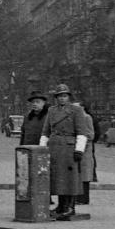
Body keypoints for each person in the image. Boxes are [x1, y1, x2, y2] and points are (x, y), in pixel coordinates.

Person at [39, 84, 92, 220]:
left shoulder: (77, 110)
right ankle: (61, 206)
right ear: (56, 98)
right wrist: (42, 149)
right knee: (57, 178)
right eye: (59, 96)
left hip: (69, 149)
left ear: (69, 97)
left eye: (64, 96)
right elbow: (45, 131)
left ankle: (70, 208)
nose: (62, 98)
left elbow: (82, 132)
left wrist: (79, 150)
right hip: (54, 148)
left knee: (70, 179)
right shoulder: (51, 111)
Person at [75, 102, 100, 206]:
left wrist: (81, 139)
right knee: (78, 174)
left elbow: (91, 134)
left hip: (85, 149)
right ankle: (79, 198)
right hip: (77, 148)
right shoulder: (76, 118)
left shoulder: (87, 117)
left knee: (85, 174)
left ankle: (84, 199)